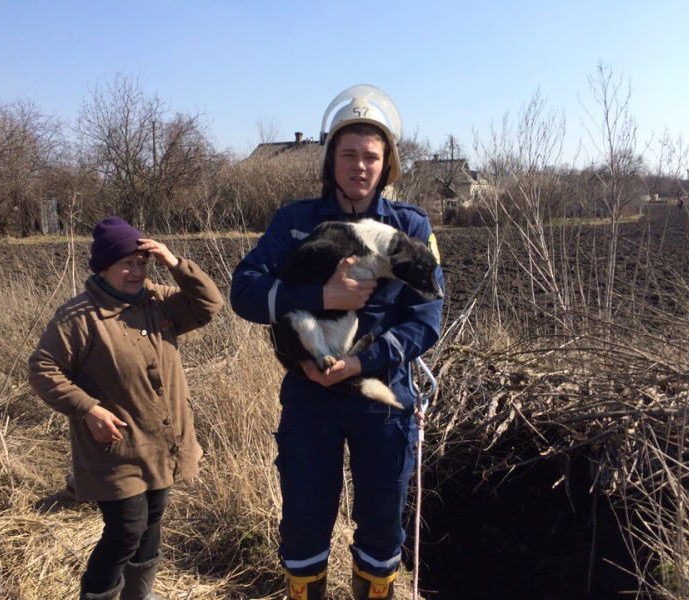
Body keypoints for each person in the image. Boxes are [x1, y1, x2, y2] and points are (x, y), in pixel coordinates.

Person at [230, 85, 444, 600]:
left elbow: (427, 317)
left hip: (383, 401)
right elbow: (243, 291)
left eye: (372, 156)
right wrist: (322, 295)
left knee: (382, 532)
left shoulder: (411, 225)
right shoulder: (294, 221)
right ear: (330, 160)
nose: (360, 166)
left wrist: (363, 361)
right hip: (309, 397)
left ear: (387, 165)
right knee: (304, 525)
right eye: (348, 154)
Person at [29, 217, 224, 600]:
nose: (136, 271)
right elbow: (42, 368)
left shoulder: (158, 300)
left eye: (142, 262)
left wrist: (173, 262)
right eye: (126, 264)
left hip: (163, 441)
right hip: (117, 448)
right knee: (125, 532)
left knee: (152, 524)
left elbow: (209, 304)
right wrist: (87, 409)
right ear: (103, 268)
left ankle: (139, 595)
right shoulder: (80, 317)